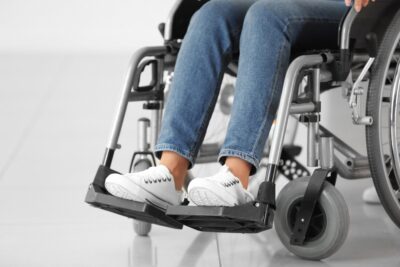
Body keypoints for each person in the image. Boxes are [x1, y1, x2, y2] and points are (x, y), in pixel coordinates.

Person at [104, 0, 371, 209]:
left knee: (266, 16)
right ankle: (170, 172)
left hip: (355, 10)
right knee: (211, 14)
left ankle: (236, 175)